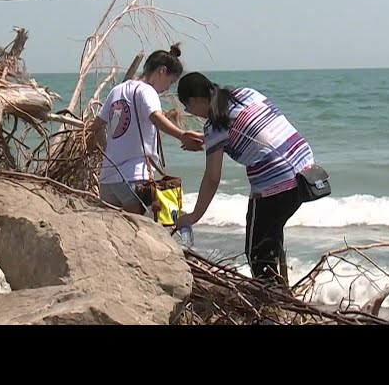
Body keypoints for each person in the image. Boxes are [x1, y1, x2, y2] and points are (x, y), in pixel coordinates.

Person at [174, 72, 316, 282]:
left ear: (194, 101)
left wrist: (194, 216)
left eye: (187, 107)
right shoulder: (245, 94)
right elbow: (255, 131)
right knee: (270, 238)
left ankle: (272, 307)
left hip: (276, 183)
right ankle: (281, 293)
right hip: (305, 169)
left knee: (256, 253)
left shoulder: (214, 126)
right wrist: (207, 141)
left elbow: (212, 178)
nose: (188, 112)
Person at [88, 44, 203, 214]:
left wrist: (106, 149)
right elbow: (155, 117)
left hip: (107, 180)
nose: (167, 88)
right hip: (133, 177)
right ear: (161, 71)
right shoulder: (147, 91)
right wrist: (182, 135)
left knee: (114, 231)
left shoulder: (117, 90)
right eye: (170, 81)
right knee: (137, 231)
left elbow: (96, 126)